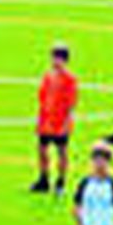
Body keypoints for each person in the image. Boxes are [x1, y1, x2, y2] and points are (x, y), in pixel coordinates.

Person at [30, 43, 78, 195]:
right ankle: (43, 179)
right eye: (53, 58)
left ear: (64, 60)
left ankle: (60, 182)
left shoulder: (70, 79)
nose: (54, 61)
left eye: (58, 58)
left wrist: (66, 123)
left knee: (61, 152)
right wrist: (40, 119)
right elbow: (42, 98)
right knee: (42, 149)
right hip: (46, 121)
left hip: (60, 121)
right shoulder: (48, 76)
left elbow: (71, 103)